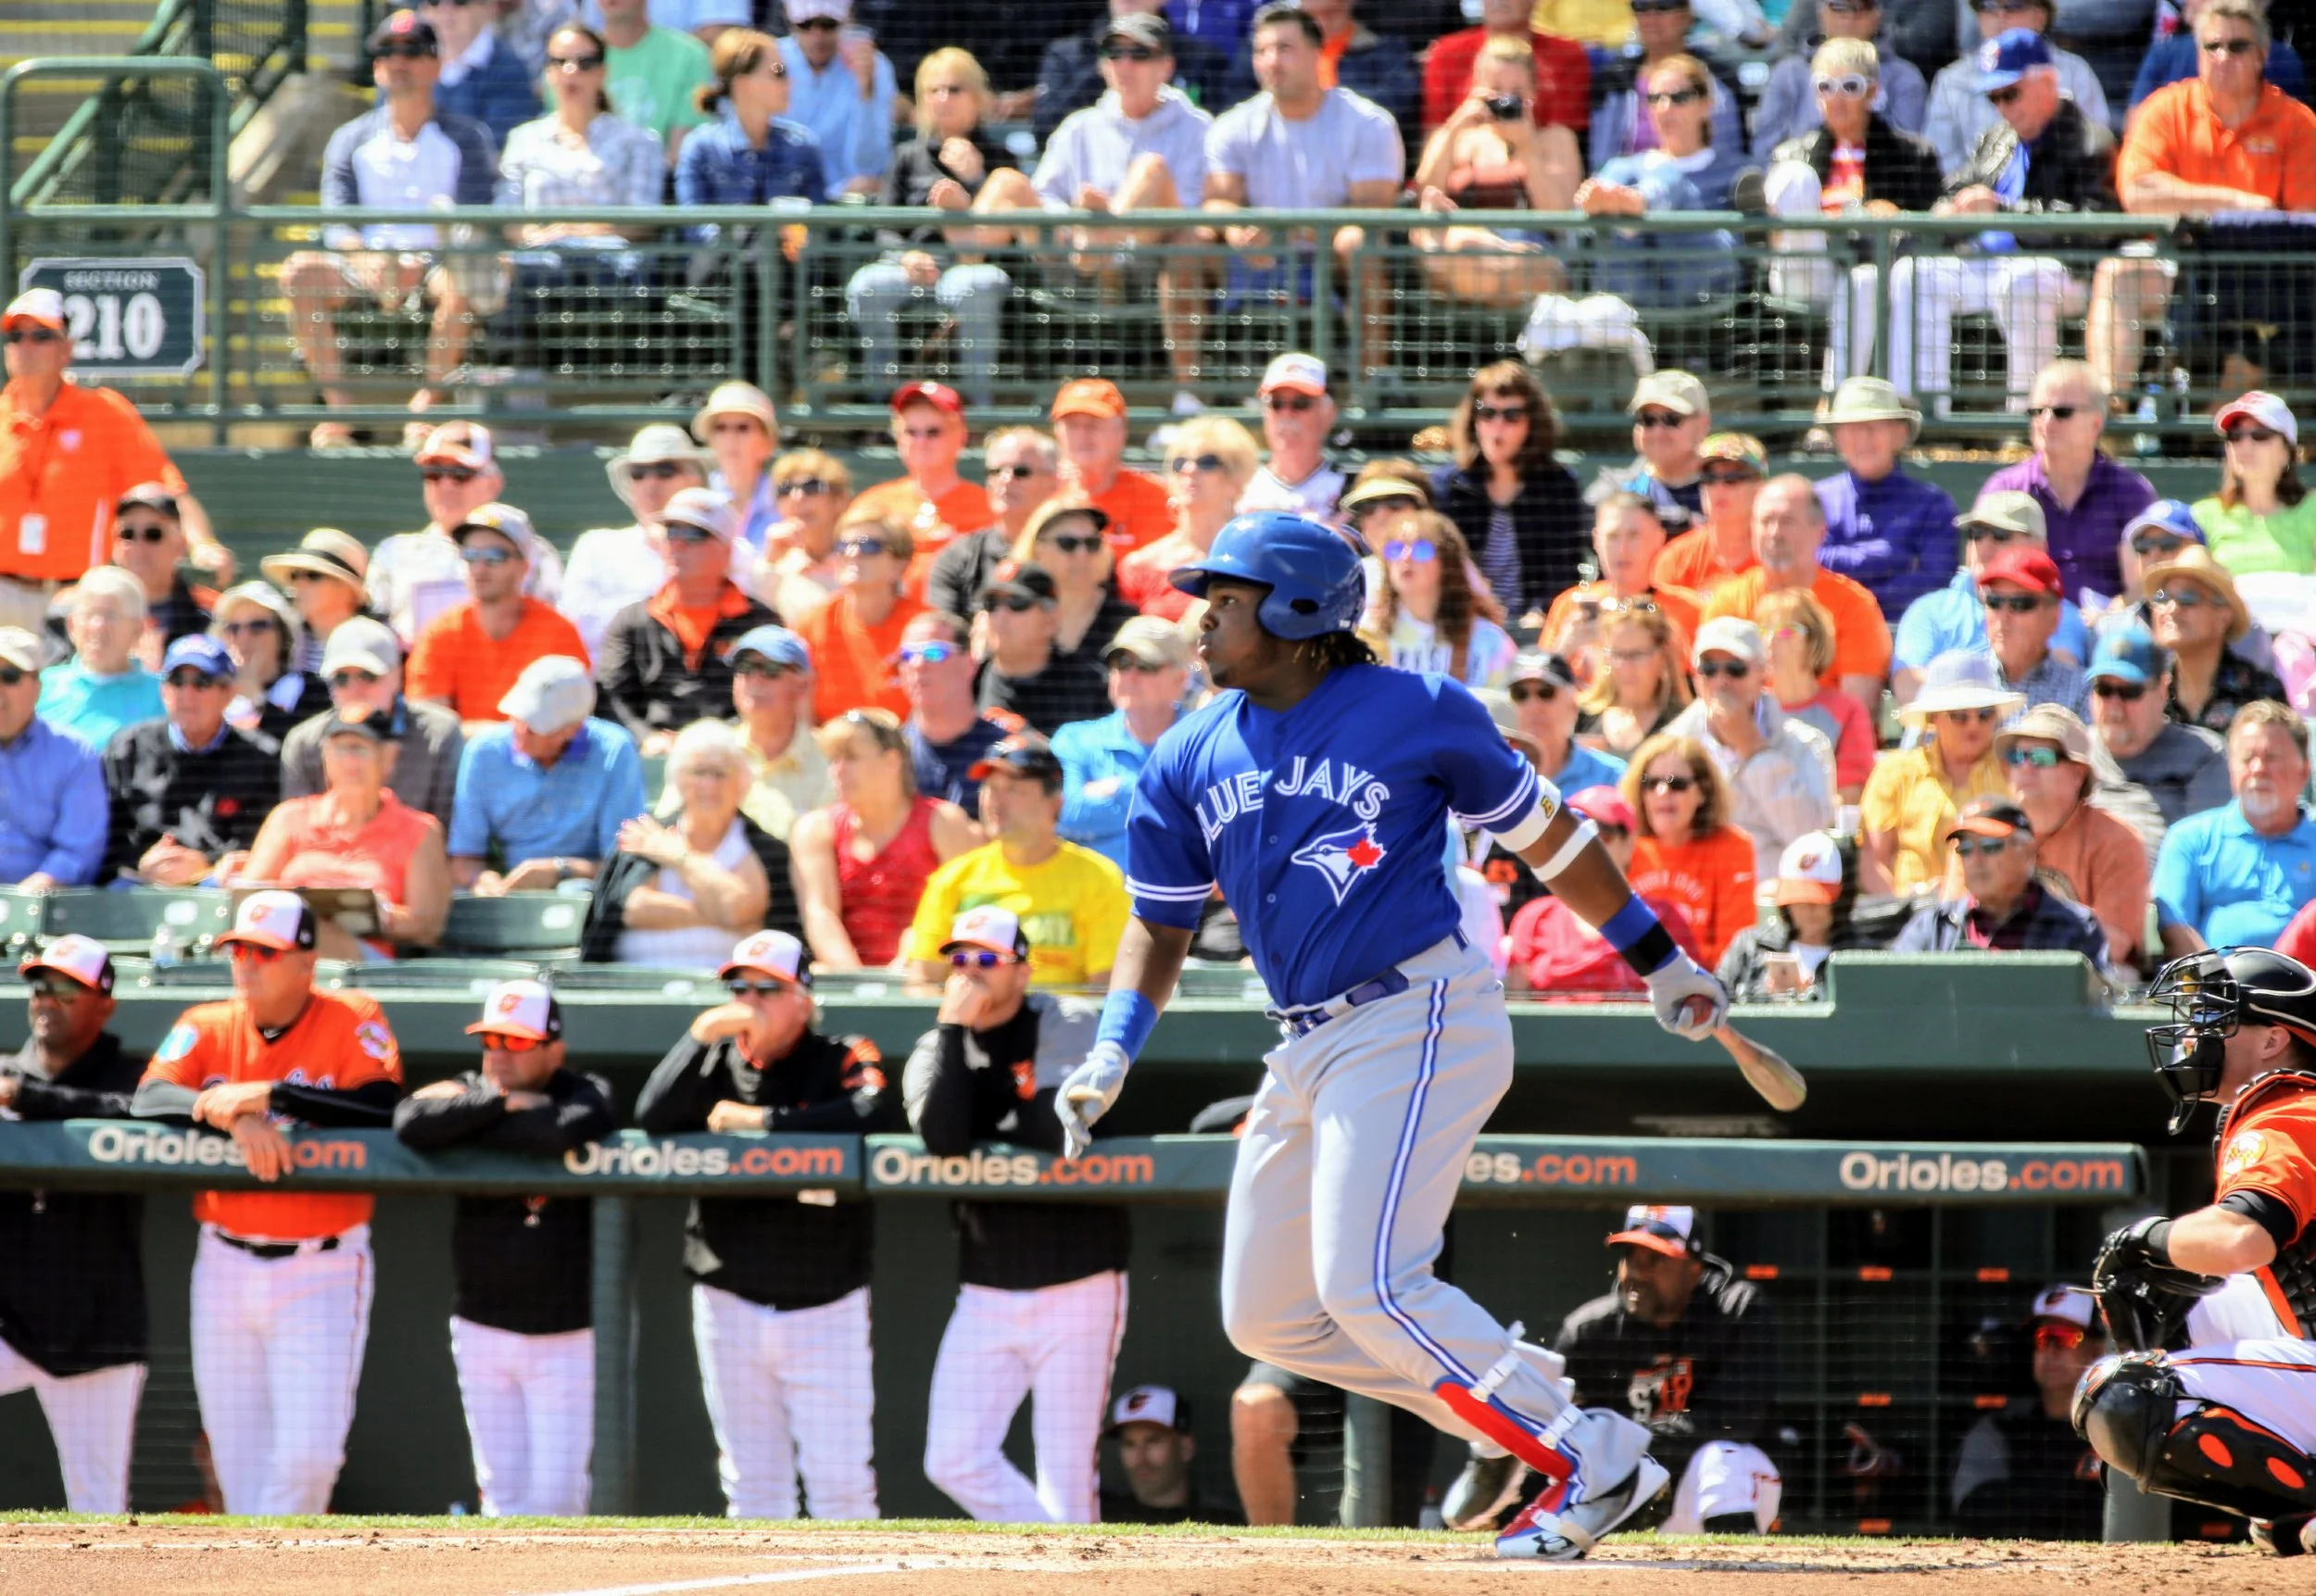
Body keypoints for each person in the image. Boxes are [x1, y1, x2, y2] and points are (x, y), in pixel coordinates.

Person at [1053, 511, 1730, 1561]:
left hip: (1418, 1008)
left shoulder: (1413, 707)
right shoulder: (1186, 750)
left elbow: (1551, 837)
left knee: (1369, 1283)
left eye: (1226, 600)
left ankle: (1581, 1456)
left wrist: (1658, 957)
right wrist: (1112, 1045)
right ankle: (1526, 1403)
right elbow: (1160, 919)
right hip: (1303, 1041)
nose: (1201, 619)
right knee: (1268, 1317)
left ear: (1297, 612)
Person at [130, 891, 404, 1515]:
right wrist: (225, 1113)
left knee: (310, 1458)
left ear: (307, 961)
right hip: (224, 1259)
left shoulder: (350, 1014)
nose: (246, 963)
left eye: (265, 952)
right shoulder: (208, 1022)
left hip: (322, 1263)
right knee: (236, 1459)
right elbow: (147, 1098)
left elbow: (384, 1106)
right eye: (239, 950)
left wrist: (275, 1094)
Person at [635, 929, 891, 1520]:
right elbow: (652, 1116)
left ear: (802, 996)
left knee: (842, 1486)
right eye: (737, 986)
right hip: (729, 1298)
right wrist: (699, 1035)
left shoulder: (841, 1054)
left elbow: (870, 1106)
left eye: (766, 988)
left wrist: (762, 1121)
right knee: (752, 1484)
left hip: (825, 1304)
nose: (747, 1000)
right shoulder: (714, 1058)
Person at [2071, 944, 2316, 1557]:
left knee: (2120, 1392)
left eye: (2217, 1016)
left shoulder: (2288, 1110)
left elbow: (2240, 1238)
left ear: (2272, 1040)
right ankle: (2296, 1510)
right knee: (2185, 1296)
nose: (2195, 1031)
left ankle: (2299, 1504)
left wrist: (2143, 1237)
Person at [902, 904, 1129, 1523]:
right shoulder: (936, 1041)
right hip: (986, 1284)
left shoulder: (1066, 1018)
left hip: (1080, 1277)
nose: (969, 972)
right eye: (959, 958)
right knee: (951, 1457)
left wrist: (989, 1110)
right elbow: (944, 1137)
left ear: (1023, 970)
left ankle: (1066, 1573)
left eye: (986, 959)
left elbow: (1047, 1123)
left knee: (1066, 1478)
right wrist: (954, 1031)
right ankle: (1051, 1562)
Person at [392, 980, 616, 1518]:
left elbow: (567, 1128)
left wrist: (474, 1121)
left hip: (566, 1335)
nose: (498, 1054)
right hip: (482, 1327)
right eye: (490, 1040)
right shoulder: (474, 1087)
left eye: (515, 1042)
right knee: (502, 1494)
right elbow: (409, 1122)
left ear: (552, 1049)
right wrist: (497, 1102)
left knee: (560, 1498)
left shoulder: (584, 1088)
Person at [1447, 1206, 1778, 1538]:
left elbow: (1733, 1420)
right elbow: (1554, 1429)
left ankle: (1736, 1571)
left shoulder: (1735, 1309)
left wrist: (1624, 1443)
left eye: (1655, 1261)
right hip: (1631, 1499)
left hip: (1727, 1486)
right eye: (1630, 1258)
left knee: (1723, 1457)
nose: (1637, 1272)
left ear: (1693, 1268)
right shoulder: (1591, 1330)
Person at [283, 10, 502, 446]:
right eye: (387, 52)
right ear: (376, 67)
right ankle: (340, 414)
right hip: (365, 268)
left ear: (436, 65)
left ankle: (425, 408)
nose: (398, 62)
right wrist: (365, 259)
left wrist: (416, 267)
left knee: (465, 276)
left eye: (413, 52)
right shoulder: (350, 138)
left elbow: (474, 223)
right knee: (299, 271)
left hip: (437, 266)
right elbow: (337, 220)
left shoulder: (468, 137)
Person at [2100, 0, 2316, 402]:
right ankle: (2107, 420)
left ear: (2262, 57)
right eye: (2212, 46)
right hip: (2179, 258)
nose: (2223, 57)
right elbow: (2137, 192)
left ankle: (2216, 427)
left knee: (2271, 311)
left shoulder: (2298, 123)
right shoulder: (2165, 108)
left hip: (2263, 273)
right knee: (2119, 275)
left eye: (2237, 47)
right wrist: (2232, 203)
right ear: (2197, 53)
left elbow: (2304, 218)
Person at [0, 937, 145, 1514]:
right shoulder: (7, 1071)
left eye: (66, 989)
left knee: (100, 1510)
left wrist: (28, 1098)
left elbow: (139, 1111)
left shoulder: (133, 1078)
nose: (47, 1000)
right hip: (7, 1318)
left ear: (104, 1003)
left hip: (96, 1327)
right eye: (40, 987)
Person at [1909, 31, 2115, 416]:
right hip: (1988, 264)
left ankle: (2026, 421)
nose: (2002, 107)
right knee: (1913, 275)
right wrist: (1946, 210)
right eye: (1994, 97)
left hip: (2064, 273)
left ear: (2048, 83)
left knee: (2020, 280)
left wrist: (2004, 210)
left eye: (2011, 94)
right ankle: (1923, 418)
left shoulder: (2090, 140)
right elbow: (1953, 189)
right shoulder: (1997, 138)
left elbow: (2092, 226)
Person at [1202, 8, 1404, 388]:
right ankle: (1192, 394)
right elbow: (1216, 200)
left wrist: (1289, 230)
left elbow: (1373, 208)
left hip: (1331, 259)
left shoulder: (1367, 122)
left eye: (1284, 48)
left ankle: (1371, 384)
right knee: (1192, 240)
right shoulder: (1233, 125)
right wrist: (1236, 227)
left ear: (1318, 53)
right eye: (1261, 51)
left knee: (1358, 241)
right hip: (1255, 261)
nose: (1271, 61)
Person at [0, 287, 209, 629]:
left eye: (40, 336)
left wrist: (204, 544)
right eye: (14, 336)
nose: (25, 346)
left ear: (66, 349)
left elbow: (165, 489)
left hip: (79, 595)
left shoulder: (103, 413)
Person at [1030, 41, 1216, 408]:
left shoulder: (1199, 126)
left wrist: (1112, 223)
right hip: (1086, 267)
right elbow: (1042, 198)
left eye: (1139, 55)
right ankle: (1100, 236)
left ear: (1166, 66)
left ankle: (1103, 234)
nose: (1125, 64)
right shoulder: (1078, 127)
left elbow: (1201, 210)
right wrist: (1074, 221)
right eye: (1115, 55)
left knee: (1152, 169)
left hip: (1161, 250)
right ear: (1103, 67)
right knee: (1010, 182)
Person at [842, 52, 1024, 408]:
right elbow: (885, 225)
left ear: (977, 96)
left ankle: (978, 409)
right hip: (913, 266)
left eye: (954, 89)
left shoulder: (1000, 154)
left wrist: (975, 178)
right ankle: (884, 405)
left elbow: (1010, 231)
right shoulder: (907, 155)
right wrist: (906, 255)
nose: (943, 99)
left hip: (969, 265)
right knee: (866, 286)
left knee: (977, 285)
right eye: (933, 90)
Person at [1760, 38, 1943, 383]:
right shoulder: (1792, 153)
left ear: (1873, 92)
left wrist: (1895, 220)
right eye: (1825, 87)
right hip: (1806, 267)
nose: (1837, 98)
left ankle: (1833, 404)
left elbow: (1933, 232)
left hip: (1871, 270)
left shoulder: (1914, 154)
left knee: (1863, 282)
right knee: (1795, 178)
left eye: (1850, 86)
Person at [906, 732, 1127, 988]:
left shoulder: (1099, 879)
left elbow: (1106, 989)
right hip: (972, 1022)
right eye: (990, 787)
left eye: (1013, 789)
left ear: (1054, 805)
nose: (995, 801)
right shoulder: (953, 878)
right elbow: (923, 982)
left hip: (1060, 1022)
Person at [241, 704, 451, 961]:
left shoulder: (420, 831)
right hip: (281, 955)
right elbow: (247, 898)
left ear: (388, 757)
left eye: (360, 749)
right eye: (340, 749)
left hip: (367, 966)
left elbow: (428, 927)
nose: (350, 761)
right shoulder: (289, 818)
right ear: (325, 758)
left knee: (314, 931)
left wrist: (379, 915)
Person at [593, 487, 778, 752]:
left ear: (726, 551)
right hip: (649, 758)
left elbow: (772, 695)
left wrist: (718, 738)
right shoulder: (631, 621)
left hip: (734, 755)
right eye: (671, 532)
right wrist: (646, 737)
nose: (677, 543)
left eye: (694, 534)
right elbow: (611, 697)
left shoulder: (760, 623)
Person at [793, 708, 977, 970]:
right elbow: (820, 914)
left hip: (927, 973)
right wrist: (858, 983)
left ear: (892, 761)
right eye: (834, 759)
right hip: (846, 980)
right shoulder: (816, 830)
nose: (838, 770)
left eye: (852, 758)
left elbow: (961, 907)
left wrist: (912, 958)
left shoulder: (944, 822)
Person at [448, 655, 648, 895]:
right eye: (517, 717)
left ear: (572, 729)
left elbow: (624, 865)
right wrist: (480, 879)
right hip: (506, 895)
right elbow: (464, 859)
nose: (521, 731)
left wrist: (561, 870)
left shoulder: (615, 751)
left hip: (584, 895)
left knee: (575, 892)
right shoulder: (483, 752)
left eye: (534, 726)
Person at [1411, 40, 1581, 311]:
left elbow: (1559, 217)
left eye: (1516, 92)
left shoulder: (1556, 139)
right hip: (1465, 248)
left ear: (1534, 93)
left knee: (1518, 260)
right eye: (1496, 91)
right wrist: (1455, 127)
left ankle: (1469, 255)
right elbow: (1426, 192)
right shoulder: (1458, 138)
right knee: (1463, 245)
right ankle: (1475, 254)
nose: (1505, 100)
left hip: (1531, 252)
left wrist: (1528, 148)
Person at [1702, 475, 1893, 716]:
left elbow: (1856, 711)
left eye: (1787, 521)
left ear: (1820, 532)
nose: (1774, 533)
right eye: (1766, 521)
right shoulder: (1727, 604)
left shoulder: (1854, 606)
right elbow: (1713, 699)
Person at [1663, 618, 1837, 880]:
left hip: (1773, 892)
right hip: (1695, 888)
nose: (1721, 681)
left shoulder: (1806, 744)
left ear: (1762, 674)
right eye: (1708, 669)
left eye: (1735, 669)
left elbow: (1809, 839)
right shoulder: (1671, 745)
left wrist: (1753, 748)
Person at [99, 635, 281, 886]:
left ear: (228, 693)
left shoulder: (261, 757)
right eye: (177, 681)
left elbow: (263, 842)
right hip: (140, 880)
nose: (187, 694)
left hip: (219, 881)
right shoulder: (126, 748)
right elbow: (105, 834)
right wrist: (141, 861)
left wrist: (206, 863)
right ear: (163, 691)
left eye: (201, 682)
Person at [369, 424, 563, 647]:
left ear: (493, 484)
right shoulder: (394, 552)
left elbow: (550, 628)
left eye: (460, 474)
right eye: (434, 473)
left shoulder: (531, 551)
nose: (445, 484)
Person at [1978, 363, 2156, 606]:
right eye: (2037, 411)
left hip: (2107, 631)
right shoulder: (2005, 488)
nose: (2046, 421)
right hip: (2024, 621)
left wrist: (2111, 614)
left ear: (2096, 423)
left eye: (2062, 412)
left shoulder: (2130, 492)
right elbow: (1980, 573)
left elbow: (2149, 582)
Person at [1894, 490, 2092, 704]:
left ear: (2040, 548)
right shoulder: (1929, 611)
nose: (1984, 546)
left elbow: (2057, 689)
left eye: (2000, 535)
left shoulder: (2056, 611)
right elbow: (1909, 688)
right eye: (1976, 533)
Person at [1991, 703, 2152, 967]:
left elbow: (2115, 944)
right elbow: (1954, 927)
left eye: (2041, 758)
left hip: (2081, 989)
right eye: (2017, 757)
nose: (2025, 768)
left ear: (2078, 774)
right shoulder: (1983, 833)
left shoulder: (2118, 841)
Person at [607, 719, 774, 966]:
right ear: (679, 780)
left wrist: (679, 857)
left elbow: (738, 907)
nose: (708, 784)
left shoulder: (762, 848)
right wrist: (718, 914)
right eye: (698, 772)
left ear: (741, 782)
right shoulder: (647, 834)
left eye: (719, 774)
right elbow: (633, 908)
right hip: (638, 983)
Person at [1504, 785, 1700, 996]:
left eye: (1598, 835)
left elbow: (1687, 999)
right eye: (1570, 834)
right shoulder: (1533, 918)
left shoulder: (1665, 919)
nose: (1582, 846)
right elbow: (1518, 1009)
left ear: (1629, 843)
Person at [2153, 699, 2316, 952]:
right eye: (2247, 758)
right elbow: (2176, 925)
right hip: (2215, 987)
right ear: (2231, 769)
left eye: (2273, 758)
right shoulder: (2190, 840)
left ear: (2304, 772)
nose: (2259, 769)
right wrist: (2216, 979)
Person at [1430, 364, 1588, 623]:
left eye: (1512, 415)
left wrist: (1540, 613)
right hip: (1465, 625)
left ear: (1532, 423)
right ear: (1473, 419)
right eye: (1487, 413)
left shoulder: (1559, 485)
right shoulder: (1447, 485)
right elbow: (1444, 569)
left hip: (1537, 628)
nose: (1498, 426)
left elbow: (1564, 569)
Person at [405, 503, 590, 723]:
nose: (479, 568)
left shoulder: (557, 631)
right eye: (470, 556)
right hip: (461, 756)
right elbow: (431, 727)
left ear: (524, 567)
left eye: (494, 556)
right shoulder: (440, 633)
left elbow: (568, 723)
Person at [1948, 1284, 2108, 1539]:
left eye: (2064, 1337)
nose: (2049, 1350)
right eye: (2041, 1338)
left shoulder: (2119, 1430)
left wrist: (2032, 1497)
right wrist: (2075, 1494)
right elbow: (1973, 1509)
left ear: (2099, 1350)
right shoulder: (2000, 1430)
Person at [282, 617, 465, 831]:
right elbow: (298, 831)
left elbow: (446, 831)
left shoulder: (439, 734)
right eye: (341, 679)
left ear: (397, 676)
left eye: (367, 676)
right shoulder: (304, 743)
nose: (354, 689)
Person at [1861, 651, 2022, 895]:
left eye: (1985, 714)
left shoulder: (2016, 771)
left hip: (1992, 916)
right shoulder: (1895, 772)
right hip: (1908, 917)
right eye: (1959, 716)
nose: (1974, 725)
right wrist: (1901, 912)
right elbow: (1873, 861)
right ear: (1933, 718)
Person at [560, 423, 717, 660]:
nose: (651, 483)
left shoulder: (722, 547)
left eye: (665, 471)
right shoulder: (595, 546)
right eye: (639, 473)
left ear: (693, 479)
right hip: (607, 686)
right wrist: (661, 610)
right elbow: (577, 626)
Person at [1891, 796, 2112, 963]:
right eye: (1965, 849)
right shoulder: (1935, 926)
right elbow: (1892, 999)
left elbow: (2094, 1011)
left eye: (1990, 846)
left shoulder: (2075, 927)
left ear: (2026, 852)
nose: (1975, 860)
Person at [1053, 616, 1189, 871]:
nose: (1130, 676)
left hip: (1195, 904)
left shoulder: (1206, 742)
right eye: (1121, 662)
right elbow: (1061, 814)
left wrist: (1115, 791)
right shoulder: (1074, 740)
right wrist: (1168, 795)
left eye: (1146, 666)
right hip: (1098, 904)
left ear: (1180, 680)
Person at [1813, 378, 1956, 620]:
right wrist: (1890, 555)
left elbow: (1934, 584)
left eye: (1874, 427)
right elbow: (1807, 566)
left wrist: (1855, 594)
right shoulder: (1815, 500)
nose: (1863, 438)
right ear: (1837, 437)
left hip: (1908, 639)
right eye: (1852, 428)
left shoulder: (1933, 505)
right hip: (1827, 638)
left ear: (1900, 434)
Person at [1925, 0, 2109, 179]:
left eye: (2014, 5)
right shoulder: (1950, 80)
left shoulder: (2076, 72)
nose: (2000, 15)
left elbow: (2091, 146)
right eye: (1987, 5)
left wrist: (1998, 206)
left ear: (2040, 16)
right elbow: (1946, 168)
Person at [1120, 416, 1262, 622]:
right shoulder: (1140, 565)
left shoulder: (1255, 560)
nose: (1189, 470)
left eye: (1207, 462)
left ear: (1236, 481)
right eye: (1180, 463)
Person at [2089, 622, 2233, 826]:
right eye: (2103, 689)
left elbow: (2206, 849)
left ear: (2162, 691)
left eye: (2130, 692)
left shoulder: (2203, 756)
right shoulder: (2073, 751)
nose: (2114, 706)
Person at [849, 384, 990, 585]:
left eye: (933, 432)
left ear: (961, 436)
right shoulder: (871, 505)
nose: (921, 441)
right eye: (911, 432)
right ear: (898, 439)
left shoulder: (988, 508)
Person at [1752, 0, 1928, 157]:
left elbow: (1908, 153)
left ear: (1877, 15)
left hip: (1881, 183)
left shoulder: (1905, 78)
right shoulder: (1788, 74)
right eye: (1838, 6)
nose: (1849, 17)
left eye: (1861, 7)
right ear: (1822, 13)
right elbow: (1764, 152)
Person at [0, 627, 105, 889]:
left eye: (9, 676)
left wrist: (19, 904)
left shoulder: (75, 755)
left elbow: (77, 853)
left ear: (37, 685)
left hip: (46, 915)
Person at [1587, 0, 1746, 172]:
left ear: (1687, 15)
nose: (1652, 16)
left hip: (1706, 190)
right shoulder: (1613, 80)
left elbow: (1731, 157)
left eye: (1664, 6)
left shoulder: (1719, 78)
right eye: (1641, 6)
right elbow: (1600, 161)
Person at [1716, 830, 1875, 1001]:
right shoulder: (1750, 946)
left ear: (1839, 900)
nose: (1808, 908)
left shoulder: (1861, 958)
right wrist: (1765, 997)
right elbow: (1717, 999)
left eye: (1818, 900)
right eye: (1799, 900)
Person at [1365, 511, 1517, 689]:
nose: (1405, 557)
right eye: (1395, 549)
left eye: (1421, 549)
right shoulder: (1367, 635)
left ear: (1447, 562)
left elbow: (1507, 709)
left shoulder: (1489, 642)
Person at [796, 513, 925, 724]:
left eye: (869, 546)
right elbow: (801, 716)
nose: (853, 553)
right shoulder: (812, 625)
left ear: (899, 564)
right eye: (843, 546)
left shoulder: (924, 627)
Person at [1542, 495, 1703, 662]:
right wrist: (1564, 651)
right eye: (1612, 537)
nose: (1622, 550)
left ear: (1658, 538)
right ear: (1596, 540)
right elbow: (1539, 683)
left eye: (1634, 536)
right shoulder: (1570, 607)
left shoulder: (1689, 609)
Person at [2145, 544, 2285, 734]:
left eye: (2188, 597)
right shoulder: (2143, 692)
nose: (2171, 608)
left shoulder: (2260, 695)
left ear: (2223, 616)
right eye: (2162, 597)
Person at [925, 430, 1061, 624]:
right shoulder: (959, 557)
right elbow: (945, 640)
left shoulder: (1076, 549)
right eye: (995, 472)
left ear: (1053, 482)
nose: (1006, 480)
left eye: (1021, 472)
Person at [1756, 589, 1874, 801]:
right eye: (1763, 632)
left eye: (1785, 631)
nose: (1770, 641)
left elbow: (1850, 794)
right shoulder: (1749, 709)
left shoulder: (1847, 711)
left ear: (1813, 641)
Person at [720, 623, 831, 840]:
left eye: (770, 670)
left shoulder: (832, 761)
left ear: (804, 684)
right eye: (745, 668)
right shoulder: (711, 753)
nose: (755, 680)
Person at [776, 0, 898, 198]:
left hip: (847, 199)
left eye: (828, 24)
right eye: (805, 24)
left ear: (848, 19)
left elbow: (870, 167)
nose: (817, 35)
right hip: (783, 193)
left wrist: (866, 90)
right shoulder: (775, 62)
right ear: (789, 21)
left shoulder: (875, 66)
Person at [1010, 496, 1140, 679]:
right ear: (1038, 549)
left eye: (1092, 543)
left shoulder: (1126, 621)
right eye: (1067, 544)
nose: (1082, 554)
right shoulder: (1012, 613)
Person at [1422, 0, 1589, 140]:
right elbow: (1433, 135)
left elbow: (1562, 142)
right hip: (1460, 166)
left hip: (1540, 166)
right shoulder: (1446, 53)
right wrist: (1461, 122)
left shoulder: (1566, 55)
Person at [34, 568, 162, 749]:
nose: (97, 626)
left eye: (110, 615)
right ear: (71, 625)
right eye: (89, 614)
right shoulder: (41, 687)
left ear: (138, 629)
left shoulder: (163, 695)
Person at [2195, 390, 2316, 577]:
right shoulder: (2202, 516)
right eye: (2235, 435)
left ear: (2287, 452)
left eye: (2260, 434)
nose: (2245, 444)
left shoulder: (2312, 510)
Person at [1046, 381, 1173, 554]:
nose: (1083, 434)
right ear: (1057, 433)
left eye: (1093, 424)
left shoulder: (1160, 498)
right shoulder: (1041, 492)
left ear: (1121, 431)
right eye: (1072, 426)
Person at [1234, 354, 1350, 525]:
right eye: (1277, 404)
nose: (1286, 414)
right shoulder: (1238, 486)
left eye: (1301, 403)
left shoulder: (1349, 489)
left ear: (1328, 414)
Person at [1975, 546, 2091, 715]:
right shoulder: (1961, 683)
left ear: (2054, 617)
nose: (2004, 615)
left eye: (2020, 604)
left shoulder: (2082, 691)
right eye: (1994, 601)